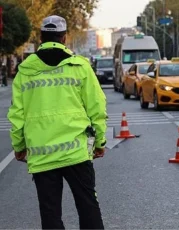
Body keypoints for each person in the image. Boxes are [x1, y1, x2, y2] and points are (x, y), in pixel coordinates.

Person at [7, 15, 107, 230]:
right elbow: (97, 107)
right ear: (64, 37)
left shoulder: (25, 70)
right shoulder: (79, 66)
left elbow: (17, 115)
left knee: (50, 211)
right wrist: (100, 141)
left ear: (41, 37)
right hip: (77, 152)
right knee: (88, 204)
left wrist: (19, 146)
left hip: (43, 154)